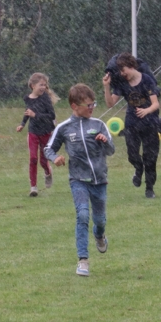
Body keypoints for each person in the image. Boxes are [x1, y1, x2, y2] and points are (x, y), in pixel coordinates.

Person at [44, 84, 115, 277]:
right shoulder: (64, 128)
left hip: (100, 181)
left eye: (94, 104)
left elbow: (111, 150)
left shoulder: (99, 125)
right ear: (74, 106)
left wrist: (105, 142)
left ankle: (99, 235)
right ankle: (83, 260)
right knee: (82, 215)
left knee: (99, 220)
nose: (92, 108)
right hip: (78, 180)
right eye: (88, 105)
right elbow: (48, 149)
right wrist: (55, 158)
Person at [102, 53, 161, 199]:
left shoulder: (146, 80)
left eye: (123, 70)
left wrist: (146, 111)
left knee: (150, 157)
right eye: (120, 71)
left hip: (150, 122)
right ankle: (138, 168)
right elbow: (110, 104)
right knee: (132, 154)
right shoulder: (122, 83)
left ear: (131, 66)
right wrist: (106, 86)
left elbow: (155, 104)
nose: (122, 74)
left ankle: (149, 188)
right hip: (132, 123)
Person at [15, 72, 59, 195]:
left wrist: (36, 115)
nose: (43, 87)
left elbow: (51, 116)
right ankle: (33, 187)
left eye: (45, 85)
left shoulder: (45, 98)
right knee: (33, 159)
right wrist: (22, 124)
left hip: (46, 132)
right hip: (33, 132)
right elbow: (28, 112)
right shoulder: (28, 98)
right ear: (33, 85)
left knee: (43, 161)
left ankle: (48, 172)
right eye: (41, 85)